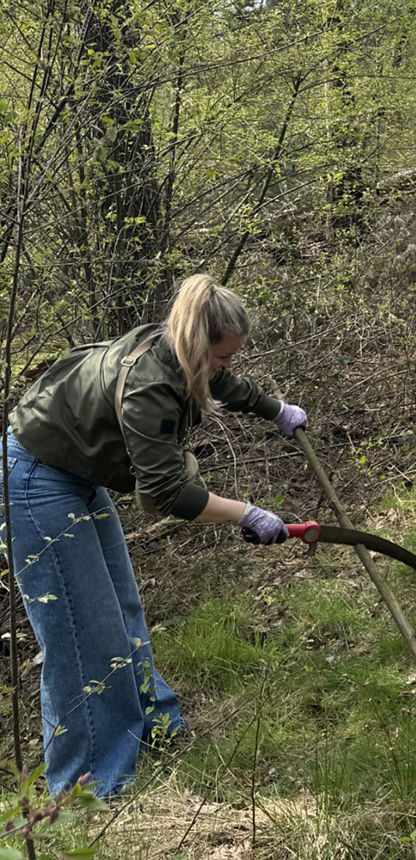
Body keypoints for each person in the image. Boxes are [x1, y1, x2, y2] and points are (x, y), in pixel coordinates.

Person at [8, 273, 306, 797]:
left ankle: (155, 727)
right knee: (82, 636)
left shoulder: (180, 352)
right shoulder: (150, 384)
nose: (226, 366)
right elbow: (167, 494)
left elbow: (223, 383)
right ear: (199, 342)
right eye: (222, 356)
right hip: (35, 478)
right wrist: (245, 513)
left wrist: (275, 409)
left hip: (75, 473)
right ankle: (87, 790)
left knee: (121, 609)